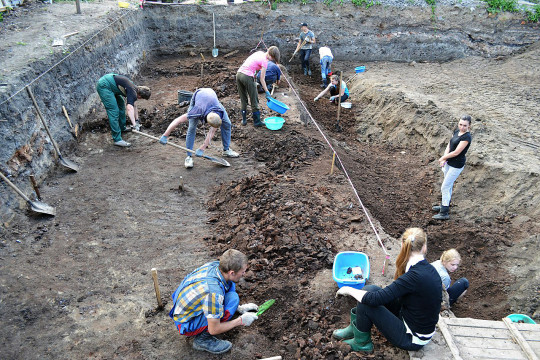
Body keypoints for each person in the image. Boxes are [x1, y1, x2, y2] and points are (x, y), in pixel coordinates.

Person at [334, 228, 442, 353]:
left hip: (412, 338)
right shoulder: (425, 269)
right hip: (409, 317)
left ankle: (362, 343)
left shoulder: (413, 277)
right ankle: (355, 329)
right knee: (370, 289)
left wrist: (348, 289)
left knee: (367, 302)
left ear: (402, 245)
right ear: (424, 247)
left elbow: (374, 300)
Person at [169, 249, 259, 354]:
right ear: (232, 272)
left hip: (185, 305)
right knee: (224, 310)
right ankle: (202, 340)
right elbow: (214, 329)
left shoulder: (216, 266)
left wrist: (239, 308)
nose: (244, 274)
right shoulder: (214, 293)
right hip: (186, 322)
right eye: (242, 271)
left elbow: (225, 287)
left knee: (232, 294)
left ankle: (229, 310)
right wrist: (241, 321)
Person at [159, 88, 239, 169]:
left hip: (211, 99)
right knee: (192, 127)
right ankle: (189, 157)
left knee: (227, 123)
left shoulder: (219, 112)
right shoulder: (197, 111)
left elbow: (212, 131)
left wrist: (202, 148)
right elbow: (178, 120)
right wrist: (165, 135)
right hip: (198, 97)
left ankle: (226, 150)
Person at [433, 115, 472, 220]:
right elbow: (449, 146)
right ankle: (444, 206)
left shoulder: (467, 137)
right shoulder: (456, 132)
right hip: (449, 163)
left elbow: (456, 152)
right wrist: (445, 158)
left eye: (465, 125)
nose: (462, 127)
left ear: (469, 126)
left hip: (456, 165)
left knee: (445, 187)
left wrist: (443, 158)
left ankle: (444, 213)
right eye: (460, 124)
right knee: (448, 186)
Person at [96, 74, 151, 147]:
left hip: (111, 84)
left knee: (121, 104)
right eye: (141, 98)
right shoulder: (132, 92)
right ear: (140, 95)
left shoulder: (135, 88)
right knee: (113, 111)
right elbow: (129, 108)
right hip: (105, 86)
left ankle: (122, 128)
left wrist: (137, 120)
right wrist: (134, 125)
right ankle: (117, 139)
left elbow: (134, 105)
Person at [236, 46, 281, 127]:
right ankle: (257, 122)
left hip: (239, 74)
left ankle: (244, 120)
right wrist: (267, 92)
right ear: (271, 55)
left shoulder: (259, 53)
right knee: (254, 99)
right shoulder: (265, 61)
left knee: (243, 98)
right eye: (273, 58)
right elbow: (262, 79)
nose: (271, 60)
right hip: (247, 76)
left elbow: (253, 65)